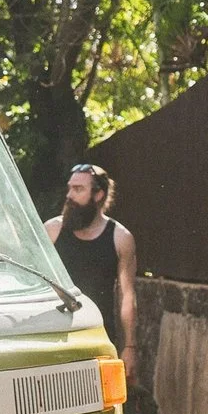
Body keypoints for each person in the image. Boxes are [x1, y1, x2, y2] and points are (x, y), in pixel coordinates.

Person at [47, 163, 138, 384]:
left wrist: (130, 347)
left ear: (98, 194)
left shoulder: (120, 238)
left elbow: (127, 296)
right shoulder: (52, 231)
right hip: (55, 337)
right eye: (69, 188)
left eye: (78, 189)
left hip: (99, 337)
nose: (69, 195)